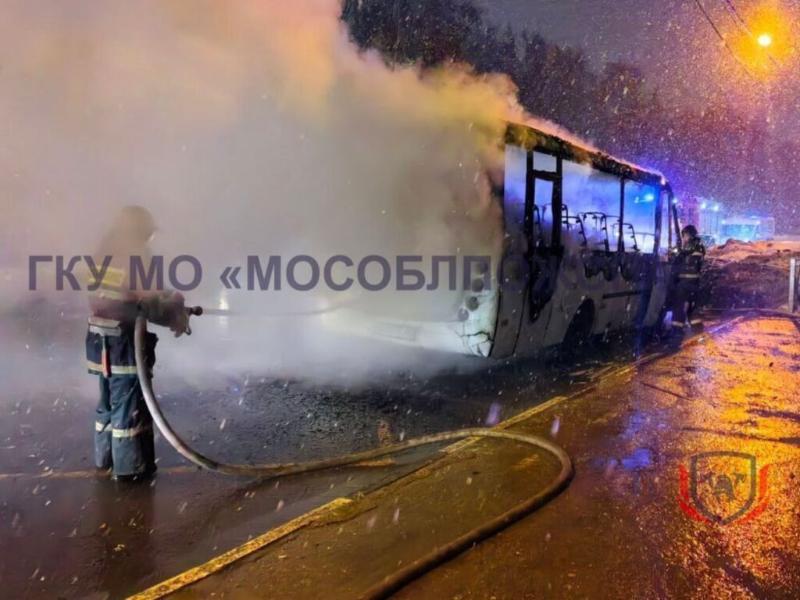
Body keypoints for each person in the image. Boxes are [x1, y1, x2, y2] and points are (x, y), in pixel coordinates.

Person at [86, 206, 190, 481]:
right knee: (129, 408)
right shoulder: (134, 254)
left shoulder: (104, 252)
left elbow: (124, 295)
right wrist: (176, 311)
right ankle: (130, 471)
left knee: (108, 404)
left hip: (99, 341)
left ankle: (105, 461)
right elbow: (149, 303)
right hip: (124, 342)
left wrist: (165, 298)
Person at [669, 224, 706, 341]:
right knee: (692, 308)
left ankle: (676, 333)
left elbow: (679, 261)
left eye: (684, 235)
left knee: (678, 307)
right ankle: (698, 331)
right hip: (695, 284)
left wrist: (675, 256)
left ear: (688, 235)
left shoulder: (687, 248)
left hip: (684, 283)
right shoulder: (700, 247)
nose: (683, 238)